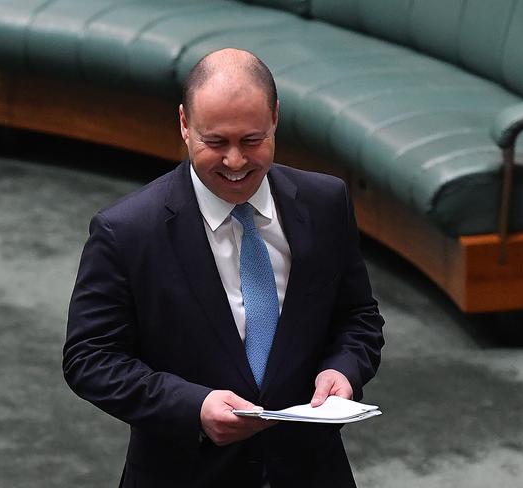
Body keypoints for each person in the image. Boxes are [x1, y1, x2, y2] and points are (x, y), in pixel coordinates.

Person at [63, 48, 385, 488]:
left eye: (252, 140)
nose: (235, 162)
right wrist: (192, 406)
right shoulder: (127, 232)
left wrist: (343, 369)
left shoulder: (326, 203)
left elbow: (357, 317)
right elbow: (90, 359)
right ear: (183, 124)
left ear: (275, 118)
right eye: (215, 143)